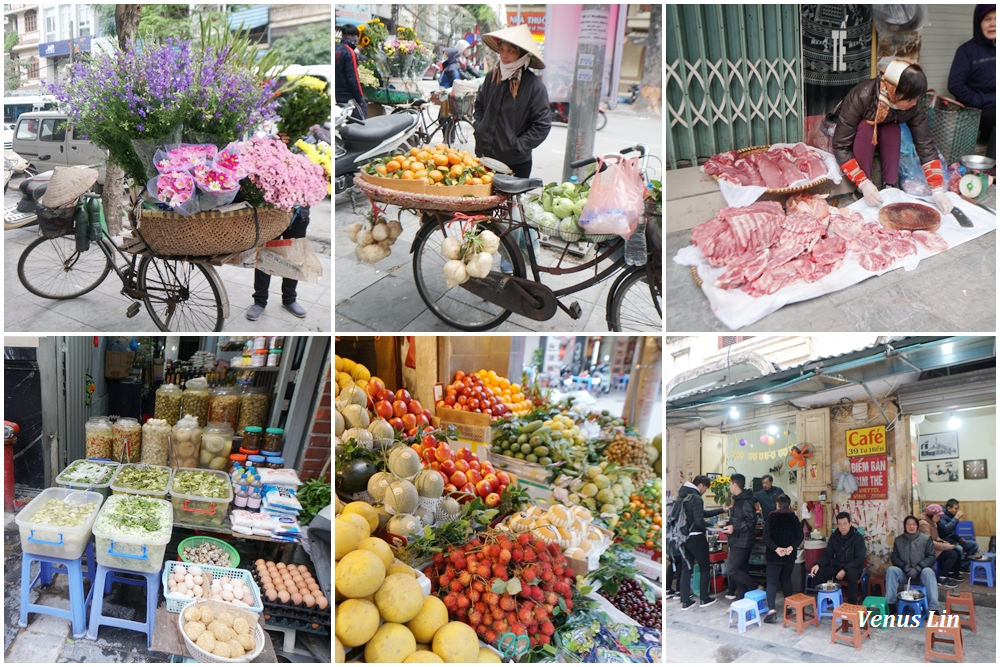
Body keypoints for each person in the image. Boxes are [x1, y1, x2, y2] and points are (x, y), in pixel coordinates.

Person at [833, 59, 950, 213]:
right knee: (866, 127)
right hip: (851, 132)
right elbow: (840, 145)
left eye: (917, 98)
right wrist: (863, 183)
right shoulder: (861, 96)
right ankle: (863, 190)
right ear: (893, 90)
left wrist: (937, 191)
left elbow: (925, 144)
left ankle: (889, 185)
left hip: (885, 127)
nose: (915, 104)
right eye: (909, 99)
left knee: (892, 128)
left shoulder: (912, 106)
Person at [472, 24, 551, 178]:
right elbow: (479, 105)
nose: (504, 55)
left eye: (510, 51)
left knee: (511, 203)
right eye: (502, 50)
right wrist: (479, 129)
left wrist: (518, 146)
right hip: (484, 156)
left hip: (515, 163)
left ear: (521, 54)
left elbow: (542, 124)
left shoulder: (534, 86)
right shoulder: (492, 77)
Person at [948, 5, 996, 160]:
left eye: (997, 18)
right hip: (976, 110)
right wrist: (980, 100)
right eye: (987, 19)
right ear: (978, 22)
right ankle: (993, 169)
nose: (993, 23)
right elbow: (955, 85)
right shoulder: (967, 51)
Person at [246, 206, 310, 320]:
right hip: (272, 213)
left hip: (299, 214)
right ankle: (259, 301)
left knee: (293, 259)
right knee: (265, 256)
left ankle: (289, 299)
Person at [677, 475, 727, 610]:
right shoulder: (696, 498)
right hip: (697, 537)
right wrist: (712, 527)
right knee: (705, 567)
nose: (705, 491)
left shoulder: (682, 495)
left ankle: (685, 601)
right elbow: (699, 521)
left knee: (686, 568)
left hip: (683, 537)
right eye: (705, 488)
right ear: (701, 485)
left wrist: (721, 510)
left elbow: (702, 513)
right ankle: (704, 598)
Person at [886, 515, 941, 614]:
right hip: (905, 574)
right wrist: (905, 567)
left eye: (914, 524)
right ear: (905, 526)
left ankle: (933, 608)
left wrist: (918, 568)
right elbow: (894, 557)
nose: (911, 526)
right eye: (908, 524)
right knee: (891, 570)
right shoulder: (899, 540)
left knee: (928, 571)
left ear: (917, 526)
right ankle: (891, 604)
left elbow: (931, 556)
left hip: (921, 575)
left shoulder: (926, 539)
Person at [809, 512, 866, 604]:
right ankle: (825, 600)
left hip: (852, 568)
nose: (842, 527)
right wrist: (818, 564)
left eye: (845, 524)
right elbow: (828, 554)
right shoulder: (835, 536)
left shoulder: (857, 538)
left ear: (850, 524)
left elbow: (859, 559)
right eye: (840, 524)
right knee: (819, 572)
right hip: (838, 566)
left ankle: (851, 605)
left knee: (852, 574)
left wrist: (845, 570)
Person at [761, 494, 802, 623]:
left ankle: (771, 611)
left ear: (777, 504)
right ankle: (789, 607)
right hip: (789, 556)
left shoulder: (771, 517)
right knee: (786, 580)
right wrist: (791, 547)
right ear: (789, 505)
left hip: (774, 556)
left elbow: (766, 537)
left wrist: (776, 549)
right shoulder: (793, 518)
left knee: (772, 582)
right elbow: (800, 536)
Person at [721, 473, 757, 600]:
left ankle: (754, 586)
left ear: (735, 484)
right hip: (736, 539)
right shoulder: (737, 500)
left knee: (732, 570)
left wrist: (734, 528)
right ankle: (742, 599)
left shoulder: (745, 501)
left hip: (742, 542)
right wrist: (729, 524)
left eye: (730, 484)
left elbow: (751, 521)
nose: (729, 486)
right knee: (741, 569)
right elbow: (739, 519)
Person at [918, 504, 963, 587]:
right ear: (931, 515)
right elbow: (929, 543)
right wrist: (947, 546)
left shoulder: (933, 522)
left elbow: (937, 537)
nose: (939, 518)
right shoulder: (923, 524)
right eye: (938, 516)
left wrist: (945, 542)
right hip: (927, 551)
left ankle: (953, 573)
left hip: (934, 547)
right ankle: (942, 578)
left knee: (956, 550)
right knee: (952, 554)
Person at [335, 25, 367, 121]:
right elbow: (353, 78)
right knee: (360, 122)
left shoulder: (336, 48)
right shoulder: (349, 52)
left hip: (338, 96)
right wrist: (360, 99)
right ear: (353, 36)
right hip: (349, 96)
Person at [939, 498, 980, 566]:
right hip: (945, 542)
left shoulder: (952, 516)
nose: (957, 511)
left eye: (958, 508)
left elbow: (952, 532)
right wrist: (956, 518)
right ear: (949, 508)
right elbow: (945, 530)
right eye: (956, 508)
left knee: (974, 545)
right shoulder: (941, 516)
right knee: (959, 549)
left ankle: (963, 565)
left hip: (954, 540)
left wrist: (958, 538)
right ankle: (955, 567)